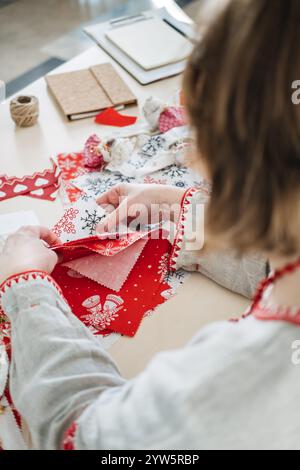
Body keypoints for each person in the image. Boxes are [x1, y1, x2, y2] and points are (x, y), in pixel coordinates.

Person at [1, 0, 300, 450]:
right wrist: (177, 209)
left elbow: (81, 435)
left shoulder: (247, 372)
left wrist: (25, 289)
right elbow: (272, 258)